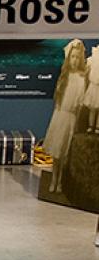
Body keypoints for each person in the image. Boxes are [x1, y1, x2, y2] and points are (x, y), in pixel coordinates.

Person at [45, 39, 88, 192]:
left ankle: (61, 180)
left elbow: (80, 101)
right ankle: (54, 178)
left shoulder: (82, 79)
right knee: (57, 151)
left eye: (77, 57)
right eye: (72, 57)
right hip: (60, 116)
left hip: (71, 118)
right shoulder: (65, 76)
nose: (75, 61)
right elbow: (58, 99)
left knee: (64, 153)